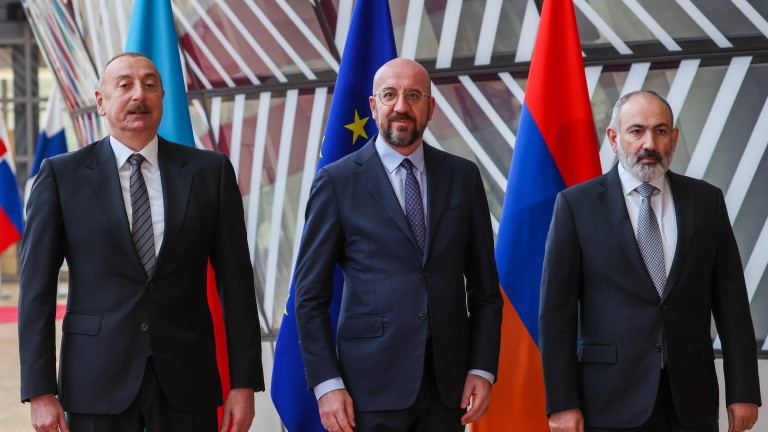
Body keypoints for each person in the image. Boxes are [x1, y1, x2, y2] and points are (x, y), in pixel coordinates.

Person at [19, 52, 264, 432]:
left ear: (162, 97)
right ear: (101, 101)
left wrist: (243, 383)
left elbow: (237, 285)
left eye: (150, 85)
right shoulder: (61, 176)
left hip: (188, 378)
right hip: (96, 380)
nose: (139, 95)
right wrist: (40, 391)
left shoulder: (209, 173)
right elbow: (36, 290)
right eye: (125, 85)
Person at [293, 58, 502, 432]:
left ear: (430, 108)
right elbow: (309, 296)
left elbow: (485, 289)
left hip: (448, 388)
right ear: (373, 106)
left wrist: (482, 368)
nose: (401, 106)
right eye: (389, 95)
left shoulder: (463, 177)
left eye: (414, 96)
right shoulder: (337, 182)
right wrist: (327, 384)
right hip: (367, 389)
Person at [540, 90, 761, 432]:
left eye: (660, 131)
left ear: (674, 138)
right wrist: (562, 403)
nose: (650, 143)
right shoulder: (576, 206)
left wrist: (743, 391)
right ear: (613, 138)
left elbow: (732, 304)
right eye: (636, 131)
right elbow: (557, 314)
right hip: (608, 401)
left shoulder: (706, 201)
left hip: (691, 400)